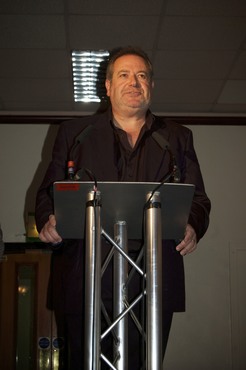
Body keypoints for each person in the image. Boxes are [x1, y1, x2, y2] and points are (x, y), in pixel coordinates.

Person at [35, 46, 211, 369]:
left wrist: (193, 225)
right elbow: (49, 192)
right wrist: (48, 218)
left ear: (151, 86)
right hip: (86, 283)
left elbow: (198, 200)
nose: (134, 82)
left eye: (142, 76)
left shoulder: (177, 138)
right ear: (108, 85)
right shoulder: (75, 135)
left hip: (153, 286)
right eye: (125, 75)